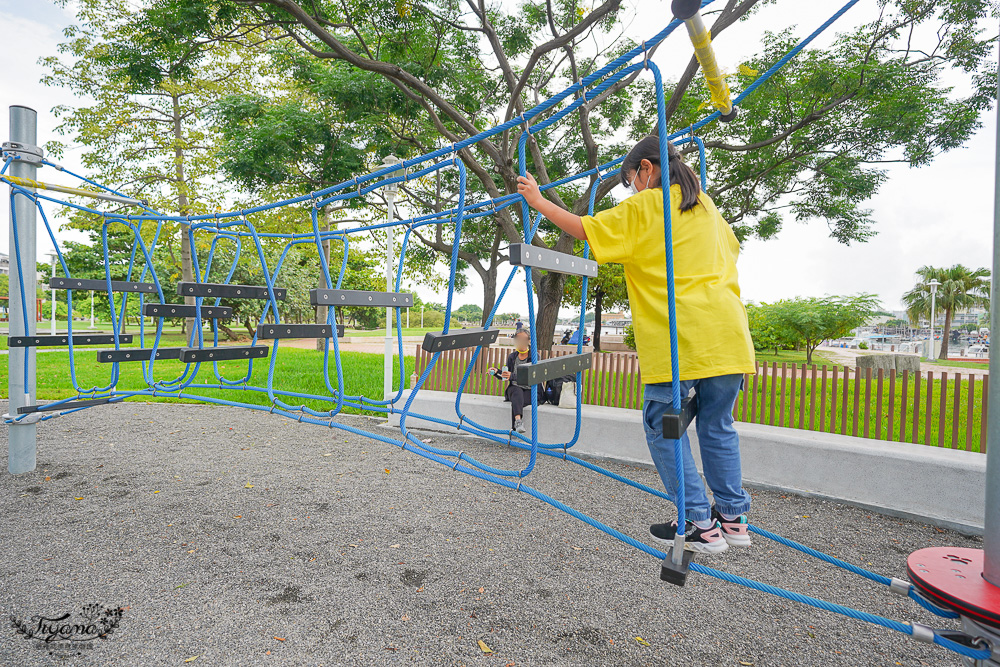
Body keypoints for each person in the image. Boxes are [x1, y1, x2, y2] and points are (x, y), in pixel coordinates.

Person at [516, 136, 756, 554]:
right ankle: (732, 520)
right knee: (717, 425)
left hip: (681, 334)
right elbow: (730, 253)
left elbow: (585, 229)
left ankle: (699, 521)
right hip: (730, 333)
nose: (633, 189)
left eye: (631, 181)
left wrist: (537, 200)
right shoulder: (706, 206)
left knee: (661, 424)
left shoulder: (649, 204)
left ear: (646, 169)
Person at [489, 328, 533, 433]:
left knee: (517, 399)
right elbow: (506, 376)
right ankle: (518, 422)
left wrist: (512, 376)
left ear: (528, 341)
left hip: (530, 390)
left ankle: (514, 432)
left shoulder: (534, 357)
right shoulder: (512, 357)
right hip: (514, 389)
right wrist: (496, 372)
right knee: (516, 392)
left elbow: (531, 377)